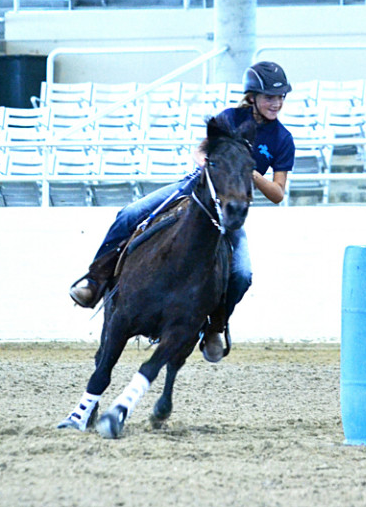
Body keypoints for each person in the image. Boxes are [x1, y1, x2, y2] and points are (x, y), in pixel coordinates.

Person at [69, 61, 295, 361]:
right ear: (252, 96)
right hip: (195, 188)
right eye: (269, 96)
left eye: (280, 97)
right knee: (129, 214)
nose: (276, 103)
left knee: (242, 273)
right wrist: (207, 163)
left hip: (230, 209)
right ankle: (95, 281)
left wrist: (249, 172)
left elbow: (278, 193)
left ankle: (215, 327)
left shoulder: (282, 139)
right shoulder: (229, 119)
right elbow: (201, 150)